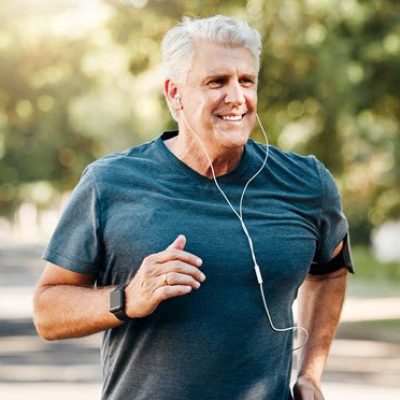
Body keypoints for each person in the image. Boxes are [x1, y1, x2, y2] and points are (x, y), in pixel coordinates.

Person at [33, 15, 354, 400]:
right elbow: (47, 312)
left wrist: (311, 374)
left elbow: (331, 272)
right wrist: (128, 298)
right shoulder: (110, 184)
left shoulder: (306, 183)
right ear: (175, 94)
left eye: (246, 81)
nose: (236, 97)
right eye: (216, 81)